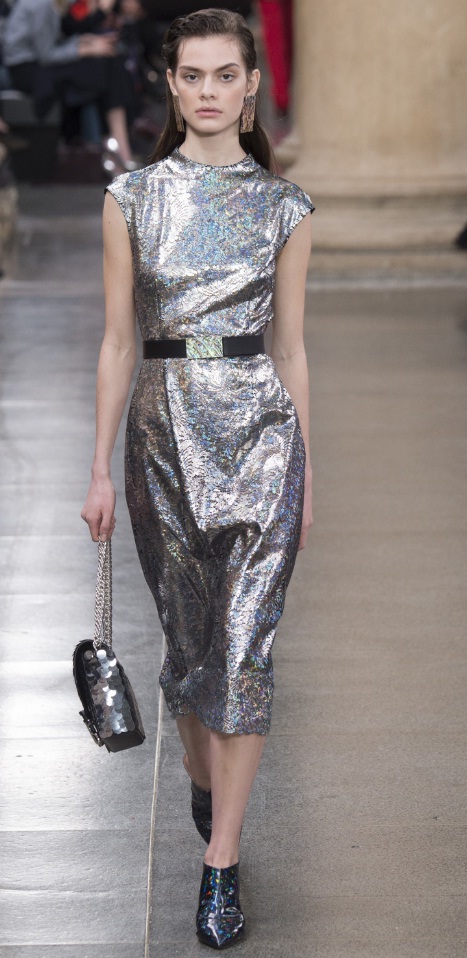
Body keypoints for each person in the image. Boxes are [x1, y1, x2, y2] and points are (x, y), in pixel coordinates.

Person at [81, 7, 313, 949]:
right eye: (193, 75)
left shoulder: (284, 208)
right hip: (161, 438)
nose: (209, 91)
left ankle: (221, 862)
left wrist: (307, 474)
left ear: (250, 86)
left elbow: (291, 350)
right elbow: (115, 342)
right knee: (188, 654)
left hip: (262, 440)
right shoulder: (132, 199)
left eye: (226, 75)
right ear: (171, 85)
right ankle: (201, 777)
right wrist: (98, 470)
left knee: (246, 650)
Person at [3, 0, 136, 168]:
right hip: (28, 71)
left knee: (109, 62)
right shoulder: (41, 4)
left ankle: (117, 147)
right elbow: (46, 54)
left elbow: (52, 41)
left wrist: (83, 40)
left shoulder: (50, 4)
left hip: (38, 64)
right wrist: (85, 49)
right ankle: (119, 149)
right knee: (107, 66)